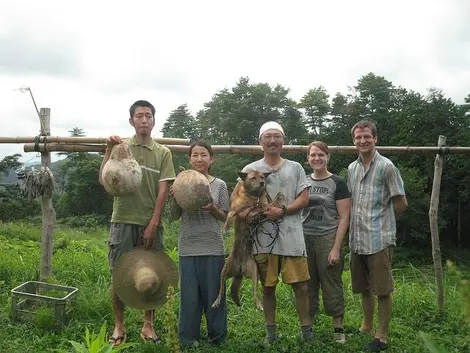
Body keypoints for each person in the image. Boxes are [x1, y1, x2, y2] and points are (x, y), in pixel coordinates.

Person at [99, 100, 176, 347]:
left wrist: (153, 223)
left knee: (152, 276)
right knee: (119, 274)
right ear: (131, 121)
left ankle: (148, 325)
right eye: (139, 116)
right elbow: (105, 180)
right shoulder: (122, 147)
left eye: (148, 116)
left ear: (154, 121)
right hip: (122, 220)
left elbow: (164, 190)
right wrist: (108, 151)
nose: (144, 120)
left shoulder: (163, 153)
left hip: (149, 222)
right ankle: (119, 326)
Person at [231, 121, 313, 343]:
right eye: (268, 136)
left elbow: (304, 198)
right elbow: (236, 202)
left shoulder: (295, 168)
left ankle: (307, 333)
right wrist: (246, 216)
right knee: (267, 287)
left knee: (301, 286)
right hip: (261, 239)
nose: (272, 140)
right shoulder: (250, 170)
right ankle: (271, 334)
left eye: (277, 136)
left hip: (292, 236)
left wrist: (283, 210)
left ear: (283, 141)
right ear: (260, 141)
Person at [348, 120, 408, 351]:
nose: (363, 141)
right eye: (358, 137)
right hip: (357, 238)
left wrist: (384, 222)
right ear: (354, 141)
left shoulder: (387, 167)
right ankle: (366, 325)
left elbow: (401, 202)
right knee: (363, 286)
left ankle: (381, 336)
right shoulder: (352, 168)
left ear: (375, 139)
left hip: (379, 238)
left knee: (382, 289)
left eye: (367, 137)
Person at [169, 140, 230, 348]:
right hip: (188, 247)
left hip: (213, 247)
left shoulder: (219, 185)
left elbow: (225, 218)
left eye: (204, 154)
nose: (199, 158)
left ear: (211, 159)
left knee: (215, 296)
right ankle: (188, 339)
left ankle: (217, 337)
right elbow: (174, 216)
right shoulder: (180, 182)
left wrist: (213, 208)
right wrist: (174, 199)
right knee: (189, 298)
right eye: (195, 155)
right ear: (189, 159)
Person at [301, 141, 350, 344]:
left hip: (328, 238)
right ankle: (308, 327)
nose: (317, 158)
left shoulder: (338, 182)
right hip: (304, 238)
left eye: (321, 154)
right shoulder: (303, 181)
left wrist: (336, 248)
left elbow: (344, 217)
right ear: (308, 159)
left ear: (328, 156)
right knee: (307, 285)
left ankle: (338, 328)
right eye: (313, 155)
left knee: (331, 283)